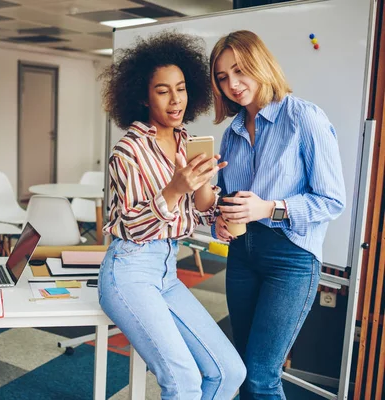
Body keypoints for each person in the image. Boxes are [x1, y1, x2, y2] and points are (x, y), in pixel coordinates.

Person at [99, 31, 246, 400]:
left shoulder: (185, 141)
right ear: (142, 96)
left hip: (166, 271)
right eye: (163, 90)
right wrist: (176, 187)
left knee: (230, 372)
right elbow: (132, 226)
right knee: (183, 382)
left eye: (180, 88)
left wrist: (215, 210)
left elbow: (195, 210)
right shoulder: (128, 151)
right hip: (129, 271)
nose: (175, 99)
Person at [209, 30, 346, 399]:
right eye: (222, 77)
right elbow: (226, 197)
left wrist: (270, 207)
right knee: (241, 368)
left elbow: (332, 200)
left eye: (239, 71)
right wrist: (218, 219)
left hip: (291, 258)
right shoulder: (233, 132)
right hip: (242, 254)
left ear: (260, 64)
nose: (233, 84)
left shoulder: (304, 118)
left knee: (261, 375)